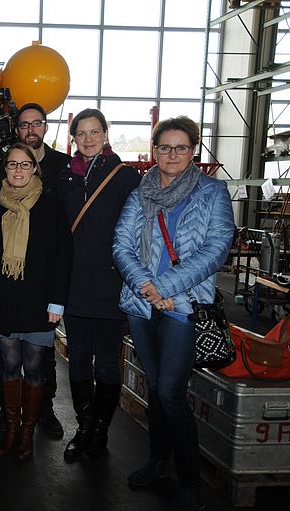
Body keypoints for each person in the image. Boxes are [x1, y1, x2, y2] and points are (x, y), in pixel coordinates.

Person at [113, 116, 234, 510]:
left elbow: (216, 249)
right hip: (143, 306)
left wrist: (164, 288)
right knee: (155, 389)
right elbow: (121, 245)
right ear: (154, 150)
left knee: (171, 393)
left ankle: (190, 484)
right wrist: (148, 288)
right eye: (165, 147)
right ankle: (156, 461)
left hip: (184, 307)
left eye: (181, 147)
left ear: (194, 150)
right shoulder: (141, 191)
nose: (172, 154)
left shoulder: (212, 192)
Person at [0, 142, 71, 462]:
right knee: (8, 366)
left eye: (24, 165)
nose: (18, 171)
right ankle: (12, 430)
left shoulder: (52, 207)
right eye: (12, 165)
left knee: (34, 368)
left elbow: (63, 257)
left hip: (38, 303)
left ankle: (28, 434)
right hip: (4, 301)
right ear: (5, 170)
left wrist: (57, 302)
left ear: (35, 169)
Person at [61, 108, 140, 462]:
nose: (88, 138)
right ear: (74, 138)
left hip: (111, 284)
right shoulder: (67, 178)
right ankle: (83, 425)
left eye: (95, 132)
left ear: (106, 134)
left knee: (107, 362)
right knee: (77, 358)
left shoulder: (125, 178)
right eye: (82, 133)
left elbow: (138, 232)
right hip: (75, 284)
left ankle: (101, 429)